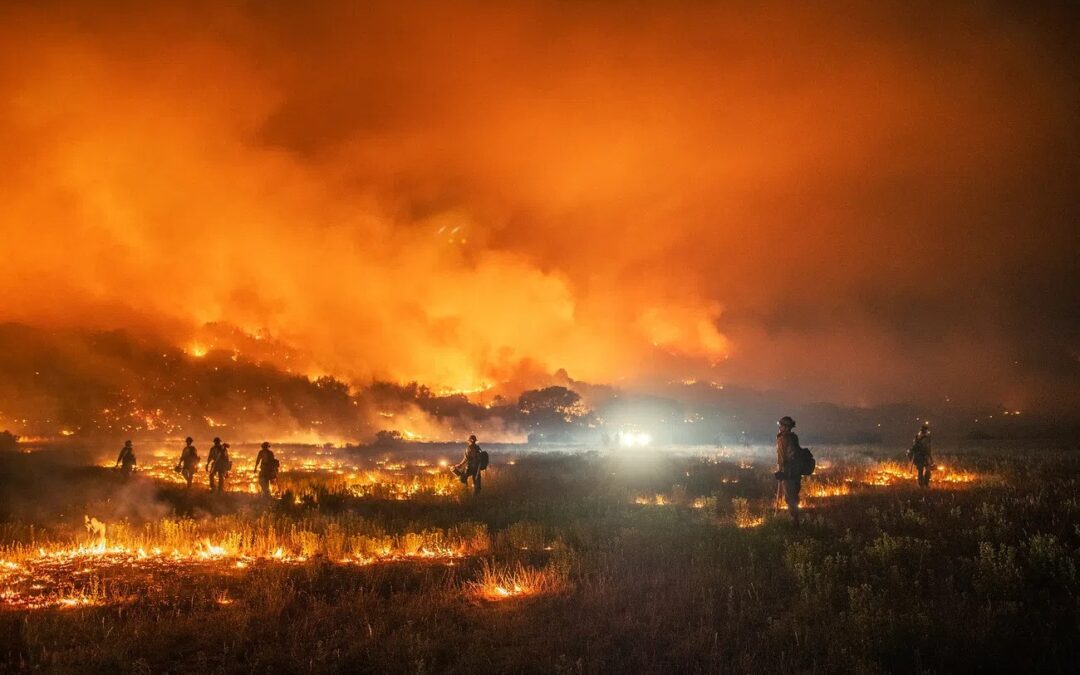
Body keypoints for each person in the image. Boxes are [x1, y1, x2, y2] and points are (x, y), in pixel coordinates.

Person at [775, 416, 803, 526]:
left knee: (790, 499)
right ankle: (795, 521)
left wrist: (782, 471)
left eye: (781, 425)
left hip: (789, 474)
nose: (780, 427)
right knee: (794, 498)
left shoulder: (783, 439)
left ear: (786, 427)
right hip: (796, 474)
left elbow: (783, 458)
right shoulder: (793, 438)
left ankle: (794, 524)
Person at [908, 422, 933, 487]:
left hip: (923, 456)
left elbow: (928, 448)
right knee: (922, 471)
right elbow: (925, 448)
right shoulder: (921, 437)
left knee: (925, 470)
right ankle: (922, 484)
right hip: (921, 456)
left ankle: (924, 484)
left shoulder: (923, 437)